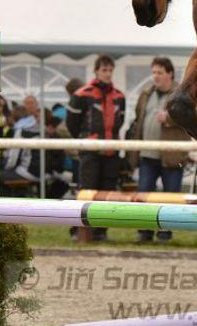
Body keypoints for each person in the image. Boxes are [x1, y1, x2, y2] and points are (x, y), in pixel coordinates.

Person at [126, 57, 190, 243]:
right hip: (147, 154)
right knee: (143, 194)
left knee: (170, 197)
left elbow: (192, 118)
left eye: (159, 72)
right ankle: (144, 232)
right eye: (153, 72)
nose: (155, 76)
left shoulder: (182, 94)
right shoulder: (146, 94)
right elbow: (138, 120)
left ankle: (165, 233)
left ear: (170, 74)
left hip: (172, 156)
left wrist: (169, 118)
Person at [66, 55, 125, 241]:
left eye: (110, 70)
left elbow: (120, 122)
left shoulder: (120, 96)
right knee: (87, 190)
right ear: (96, 71)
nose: (107, 74)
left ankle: (101, 231)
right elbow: (72, 124)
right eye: (104, 70)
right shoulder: (81, 95)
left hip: (111, 151)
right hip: (90, 151)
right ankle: (78, 230)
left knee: (107, 191)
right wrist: (85, 140)